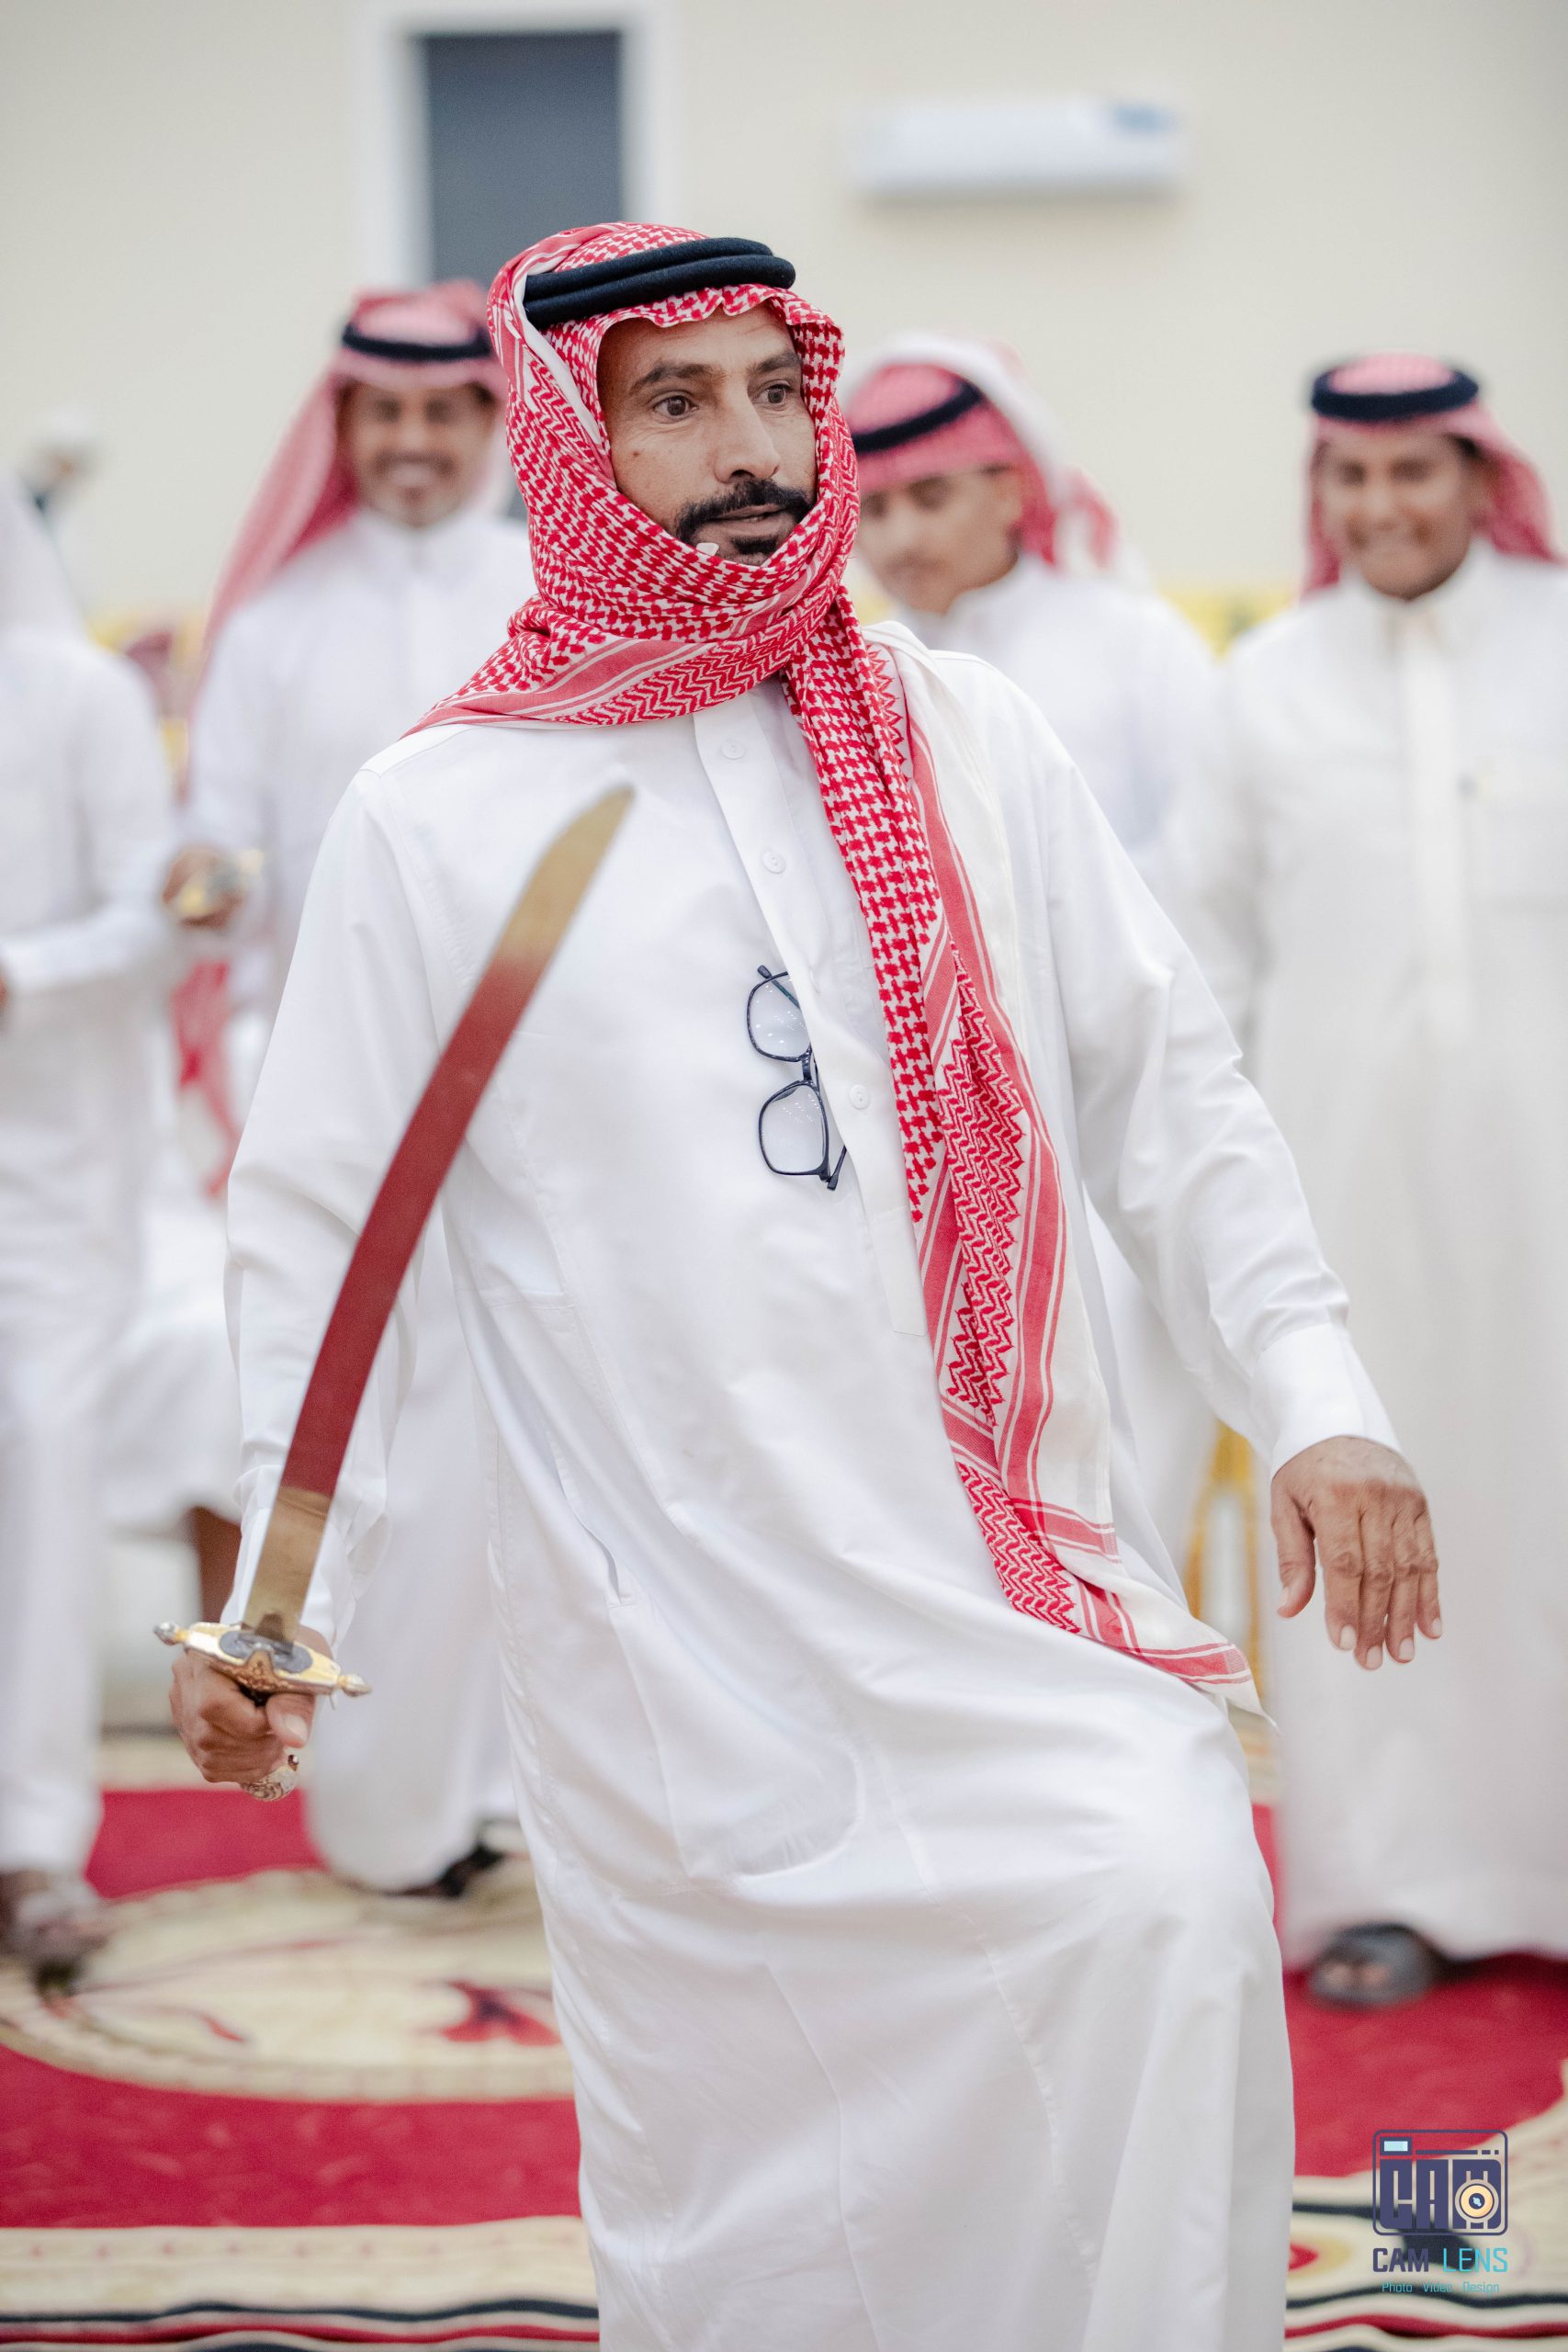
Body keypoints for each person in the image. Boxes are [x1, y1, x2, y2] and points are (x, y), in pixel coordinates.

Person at [170, 225, 1439, 2352]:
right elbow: (323, 1231)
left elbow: (1169, 1090)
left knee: (1167, 1904)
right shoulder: (439, 810)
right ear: (570, 445)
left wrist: (1312, 1393)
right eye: (675, 403)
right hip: (687, 1644)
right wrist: (286, 1596)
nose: (751, 447)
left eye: (777, 390)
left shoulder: (965, 735)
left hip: (1002, 1588)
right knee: (769, 2183)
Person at [1169, 351, 1567, 2007]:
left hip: (1551, 1193)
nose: (1384, 505)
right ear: (1320, 493)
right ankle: (1389, 1886)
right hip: (1347, 1202)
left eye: (1415, 471)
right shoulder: (1265, 687)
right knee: (1379, 1512)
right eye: (1353, 476)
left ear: (1478, 478)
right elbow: (1203, 960)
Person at [164, 284, 532, 1895]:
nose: (415, 441)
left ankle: (523, 1794)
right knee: (369, 1441)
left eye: (447, 411)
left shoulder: (544, 590)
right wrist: (197, 886)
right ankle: (390, 1815)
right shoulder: (276, 623)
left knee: (534, 1435)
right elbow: (217, 860)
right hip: (335, 1090)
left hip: (529, 1086)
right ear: (346, 427)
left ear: (493, 426)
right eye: (387, 413)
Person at [846, 336, 1219, 1563]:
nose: (899, 537)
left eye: (930, 496)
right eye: (874, 507)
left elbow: (1207, 888)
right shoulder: (860, 681)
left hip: (1116, 1126)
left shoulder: (1138, 648)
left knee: (1124, 1483)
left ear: (1012, 488)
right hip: (931, 1142)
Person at [0, 475, 174, 1975]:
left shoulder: (77, 695)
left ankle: (35, 1846)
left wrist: (22, 975)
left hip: (50, 1179)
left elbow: (158, 914)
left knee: (45, 1471)